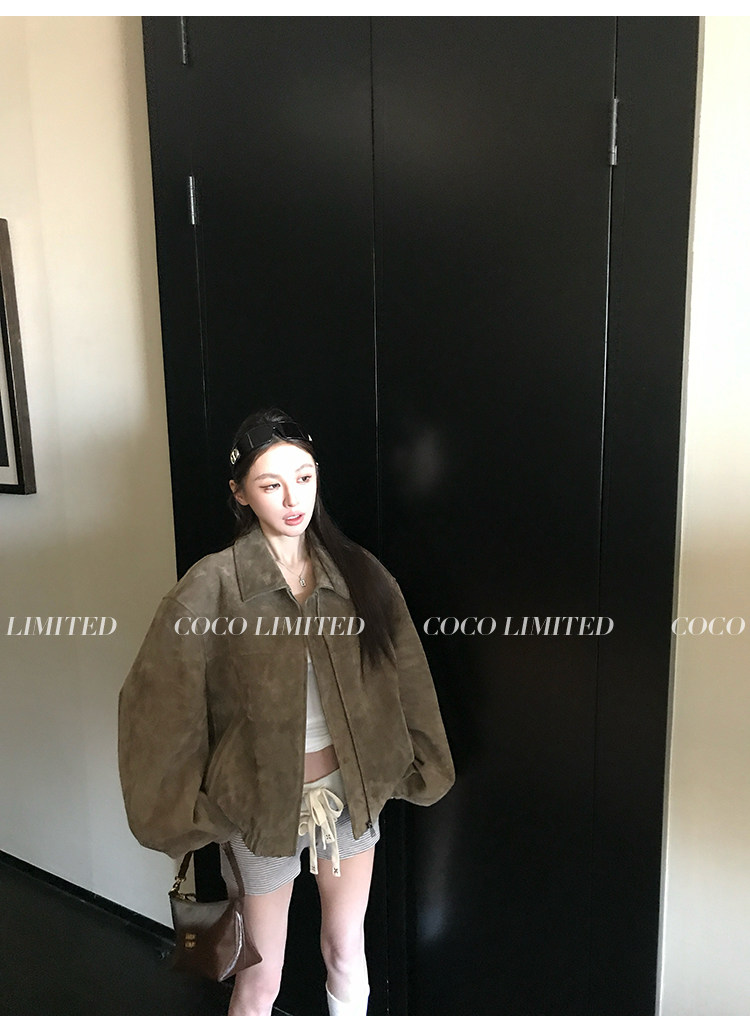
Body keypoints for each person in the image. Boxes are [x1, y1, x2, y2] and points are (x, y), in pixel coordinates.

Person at [117, 407, 455, 1016]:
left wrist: (415, 759)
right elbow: (157, 708)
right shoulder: (210, 587)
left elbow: (405, 674)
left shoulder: (358, 573)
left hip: (348, 797)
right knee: (260, 980)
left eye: (304, 477)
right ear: (240, 493)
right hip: (259, 807)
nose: (293, 499)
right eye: (271, 484)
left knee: (347, 950)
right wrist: (189, 812)